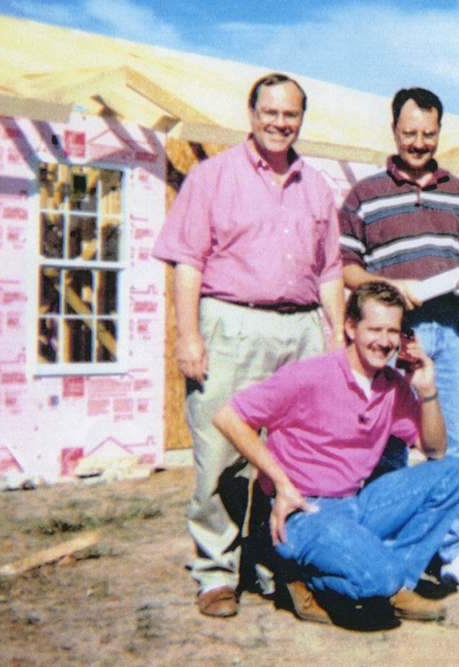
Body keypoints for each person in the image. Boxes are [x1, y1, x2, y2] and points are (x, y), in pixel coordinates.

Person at [151, 72, 345, 619]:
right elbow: (187, 262)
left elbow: (329, 269)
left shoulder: (317, 186)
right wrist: (188, 335)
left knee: (294, 455)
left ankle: (276, 566)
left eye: (291, 114)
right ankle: (216, 573)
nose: (280, 123)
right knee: (221, 455)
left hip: (303, 329)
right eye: (270, 112)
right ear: (251, 113)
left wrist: (334, 335)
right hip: (231, 326)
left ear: (301, 119)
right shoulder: (212, 177)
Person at [212, 282, 459, 624]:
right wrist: (281, 482)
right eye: (374, 329)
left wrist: (428, 390)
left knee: (454, 474)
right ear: (350, 327)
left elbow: (436, 450)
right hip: (305, 511)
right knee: (381, 575)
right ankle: (301, 573)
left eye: (393, 331)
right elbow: (228, 417)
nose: (385, 341)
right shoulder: (311, 375)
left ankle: (394, 584)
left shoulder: (392, 386)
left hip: (354, 504)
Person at [338, 87, 459, 597]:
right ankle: (387, 543)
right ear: (393, 130)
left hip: (452, 332)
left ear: (439, 132)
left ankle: (457, 552)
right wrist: (388, 290)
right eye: (409, 133)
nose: (418, 142)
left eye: (428, 134)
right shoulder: (363, 195)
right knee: (386, 443)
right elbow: (347, 269)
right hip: (390, 337)